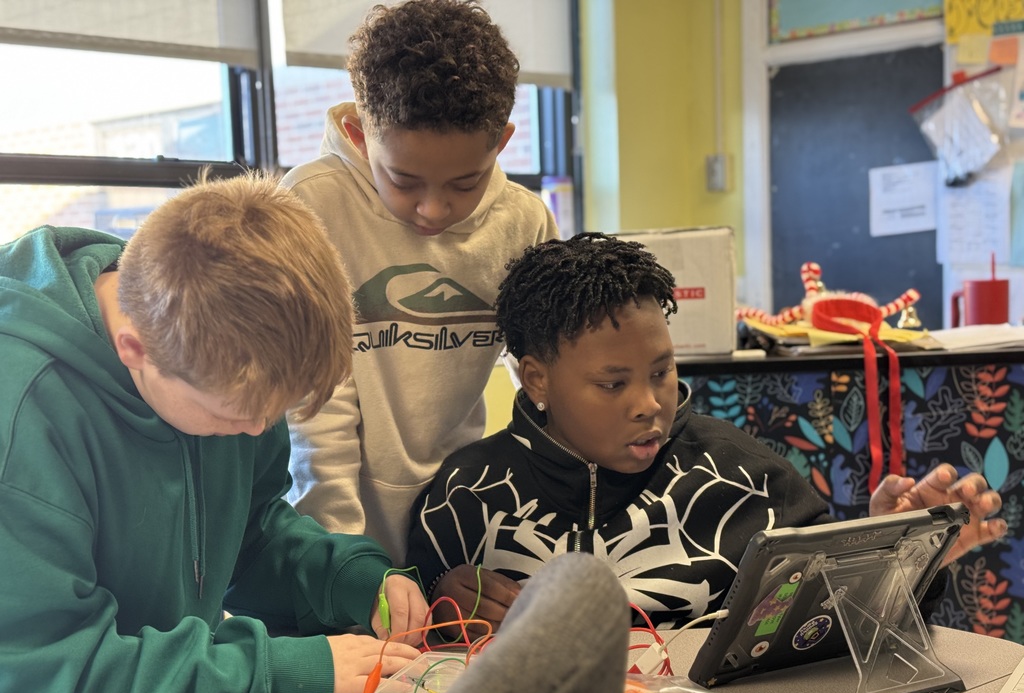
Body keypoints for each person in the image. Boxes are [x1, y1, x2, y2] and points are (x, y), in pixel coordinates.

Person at [0, 171, 428, 693]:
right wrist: (276, 666)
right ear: (135, 351)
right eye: (232, 416)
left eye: (272, 413)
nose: (255, 430)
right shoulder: (23, 409)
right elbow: (46, 668)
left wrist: (342, 577)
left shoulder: (206, 344)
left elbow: (244, 541)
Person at [405, 232, 1006, 633]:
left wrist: (903, 556)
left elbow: (842, 622)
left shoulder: (746, 476)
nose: (649, 405)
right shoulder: (465, 494)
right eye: (613, 385)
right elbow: (405, 639)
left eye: (662, 372)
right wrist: (437, 602)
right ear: (536, 379)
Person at [280, 0, 559, 564]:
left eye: (465, 182)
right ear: (360, 134)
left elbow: (549, 378)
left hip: (462, 513)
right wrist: (343, 566)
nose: (433, 210)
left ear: (501, 143)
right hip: (330, 526)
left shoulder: (524, 222)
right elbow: (316, 414)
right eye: (403, 180)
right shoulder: (310, 205)